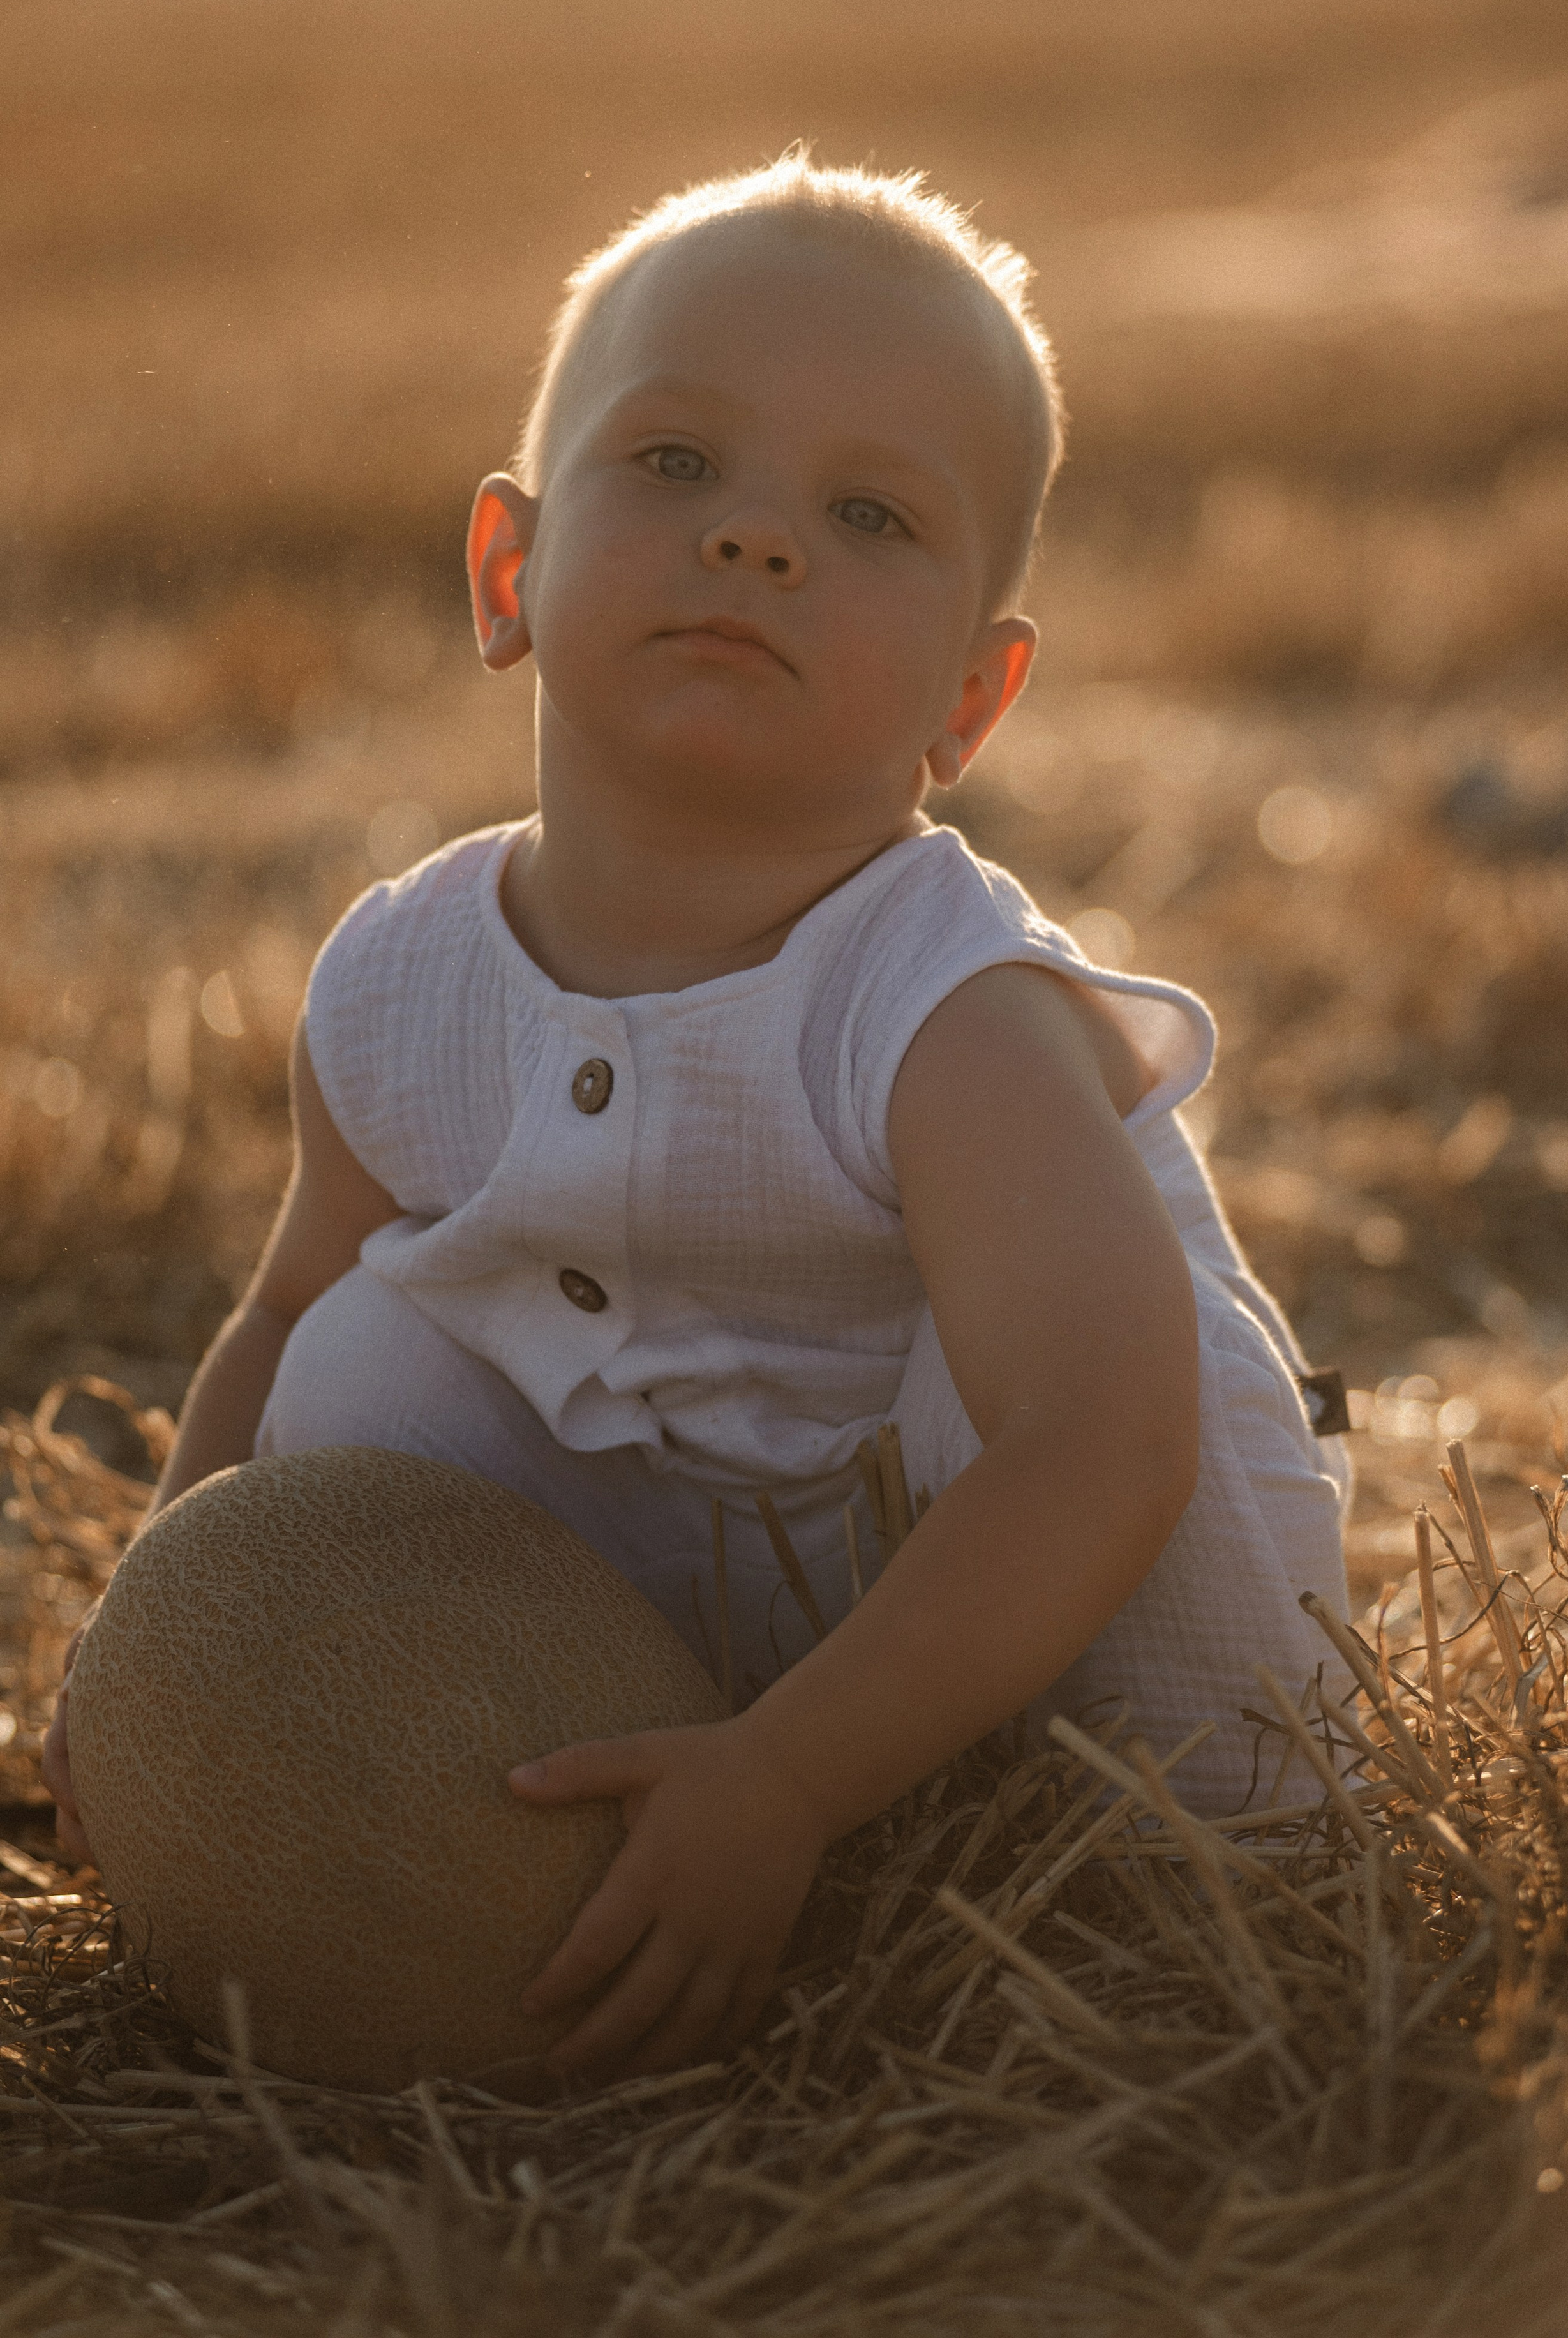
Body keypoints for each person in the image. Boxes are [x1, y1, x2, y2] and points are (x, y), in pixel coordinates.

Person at [44, 154, 1349, 2081]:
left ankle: (1086, 1838)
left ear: (971, 705)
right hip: (663, 1562)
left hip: (1025, 1539)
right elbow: (271, 1321)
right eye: (676, 467)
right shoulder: (403, 987)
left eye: (870, 511)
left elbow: (1103, 1441)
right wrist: (143, 1663)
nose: (758, 542)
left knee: (1214, 1753)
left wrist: (795, 1779)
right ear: (509, 570)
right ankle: (546, 1829)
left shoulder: (943, 1005)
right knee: (359, 1360)